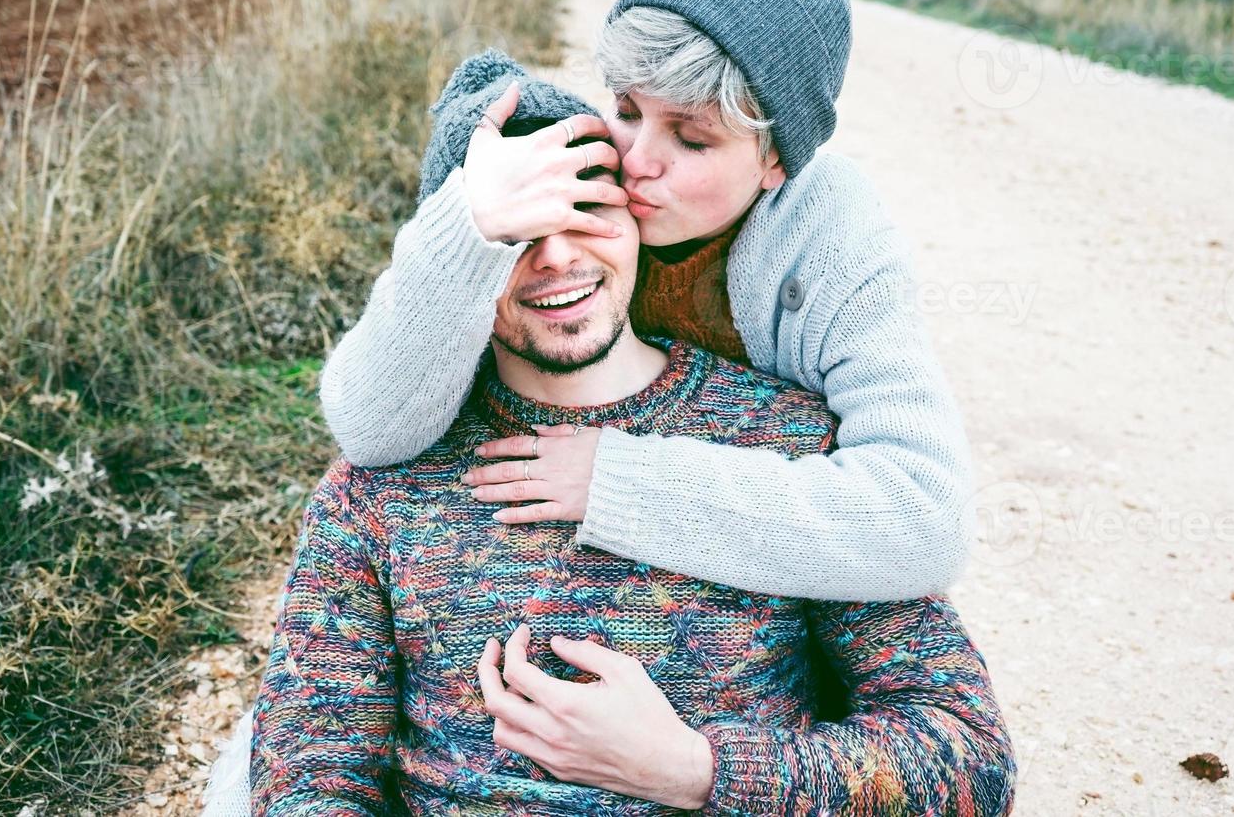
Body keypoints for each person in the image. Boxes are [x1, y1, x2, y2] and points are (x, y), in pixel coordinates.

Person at [248, 144, 1015, 815]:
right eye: (513, 234)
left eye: (587, 207)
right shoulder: (380, 486)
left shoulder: (789, 442)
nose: (554, 258)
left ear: (635, 215)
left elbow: (968, 757)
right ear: (455, 264)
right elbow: (307, 773)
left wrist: (695, 771)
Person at [319, 0, 974, 605]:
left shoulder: (831, 241)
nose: (634, 161)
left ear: (776, 159)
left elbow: (926, 520)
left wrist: (616, 482)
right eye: (628, 109)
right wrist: (470, 224)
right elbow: (370, 426)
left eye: (691, 139)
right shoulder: (565, 195)